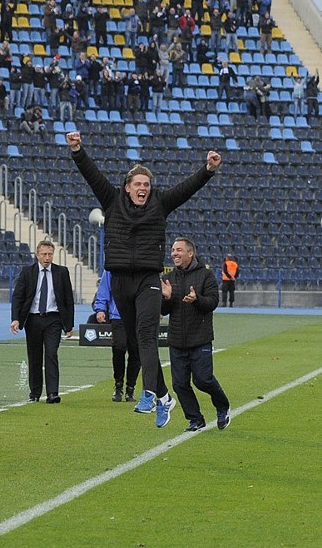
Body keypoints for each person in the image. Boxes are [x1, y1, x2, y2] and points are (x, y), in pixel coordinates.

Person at [66, 131, 221, 428]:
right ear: (127, 188)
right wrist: (77, 150)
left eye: (147, 184)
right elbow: (91, 174)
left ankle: (149, 393)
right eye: (138, 184)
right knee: (136, 342)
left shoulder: (160, 203)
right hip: (120, 280)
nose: (143, 188)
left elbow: (187, 188)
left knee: (147, 335)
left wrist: (208, 170)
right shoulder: (111, 200)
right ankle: (164, 396)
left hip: (149, 278)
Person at [161, 237, 231, 431]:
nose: (174, 253)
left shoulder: (205, 275)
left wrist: (196, 299)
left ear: (190, 253)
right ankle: (195, 419)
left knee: (203, 380)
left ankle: (222, 406)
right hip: (176, 340)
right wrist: (165, 298)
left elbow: (212, 303)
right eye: (173, 250)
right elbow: (164, 310)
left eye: (178, 250)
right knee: (180, 384)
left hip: (200, 338)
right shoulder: (169, 278)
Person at [10, 240, 75, 404]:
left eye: (50, 254)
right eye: (44, 254)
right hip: (33, 319)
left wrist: (69, 325)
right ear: (37, 255)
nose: (47, 258)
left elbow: (68, 299)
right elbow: (18, 296)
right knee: (35, 356)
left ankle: (53, 393)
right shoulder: (27, 272)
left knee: (51, 353)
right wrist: (15, 319)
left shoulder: (62, 272)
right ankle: (35, 392)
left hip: (54, 319)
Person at [93, 270, 140, 402]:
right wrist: (100, 309)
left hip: (139, 316)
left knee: (136, 352)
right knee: (119, 347)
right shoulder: (112, 267)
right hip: (118, 315)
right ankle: (118, 385)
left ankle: (130, 388)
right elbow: (104, 288)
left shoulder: (142, 263)